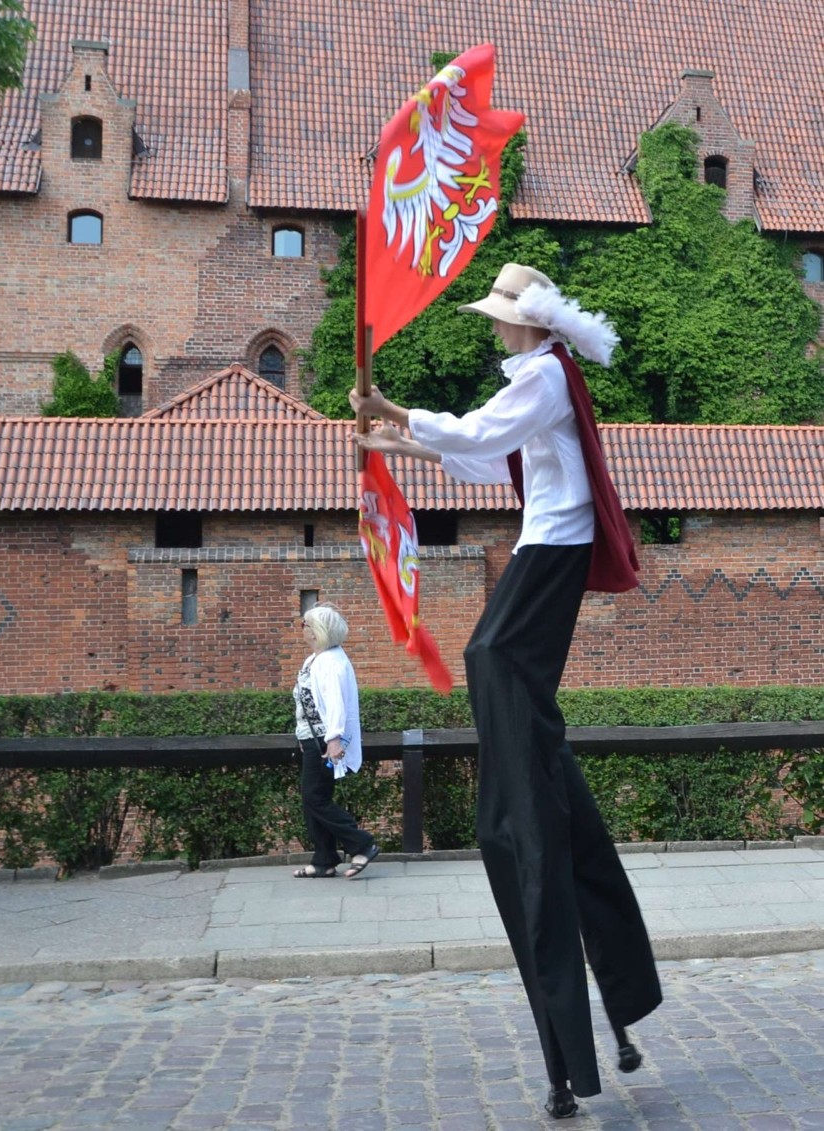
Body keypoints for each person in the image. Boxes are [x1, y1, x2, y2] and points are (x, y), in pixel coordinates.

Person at [350, 264, 662, 1118]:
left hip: (553, 555)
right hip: (542, 550)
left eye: (499, 319)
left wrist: (394, 411)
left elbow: (485, 430)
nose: (493, 330)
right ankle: (535, 766)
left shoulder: (547, 376)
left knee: (490, 656)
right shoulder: (539, 380)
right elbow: (489, 460)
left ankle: (527, 769)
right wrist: (395, 446)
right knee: (502, 681)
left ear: (527, 324)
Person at [292, 602, 380, 880]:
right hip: (312, 739)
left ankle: (362, 844)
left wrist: (333, 741)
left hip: (322, 741)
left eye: (305, 624)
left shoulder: (330, 662)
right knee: (315, 799)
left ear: (316, 631)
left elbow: (335, 704)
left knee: (315, 799)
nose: (302, 629)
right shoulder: (317, 659)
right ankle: (324, 860)